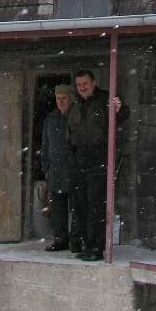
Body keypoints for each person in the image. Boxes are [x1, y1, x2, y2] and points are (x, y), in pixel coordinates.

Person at [67, 69, 128, 261]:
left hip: (99, 157)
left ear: (93, 83)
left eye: (85, 83)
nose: (82, 87)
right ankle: (87, 244)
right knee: (80, 203)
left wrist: (119, 109)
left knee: (96, 204)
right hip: (79, 158)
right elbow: (69, 132)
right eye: (79, 85)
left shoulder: (105, 99)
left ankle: (96, 247)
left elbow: (123, 114)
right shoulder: (75, 104)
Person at [40, 84, 80, 252]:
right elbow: (45, 144)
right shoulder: (51, 118)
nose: (61, 101)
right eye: (58, 98)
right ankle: (60, 239)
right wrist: (46, 167)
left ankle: (77, 240)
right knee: (58, 208)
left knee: (77, 207)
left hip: (74, 169)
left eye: (64, 98)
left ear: (70, 98)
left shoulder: (77, 116)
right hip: (55, 170)